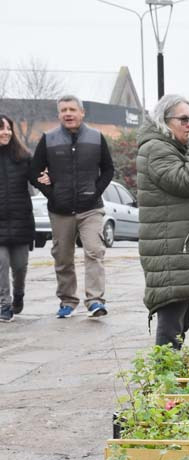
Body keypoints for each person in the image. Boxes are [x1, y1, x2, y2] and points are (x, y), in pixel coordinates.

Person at [136, 94, 189, 349]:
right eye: (183, 119)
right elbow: (186, 183)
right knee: (171, 330)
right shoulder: (156, 149)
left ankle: (171, 380)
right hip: (173, 255)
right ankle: (163, 382)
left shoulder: (175, 149)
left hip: (187, 252)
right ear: (164, 120)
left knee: (180, 327)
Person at [30, 95, 114, 318]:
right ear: (58, 115)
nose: (68, 113)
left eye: (72, 109)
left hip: (91, 209)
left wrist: (95, 192)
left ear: (82, 113)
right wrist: (52, 194)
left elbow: (108, 170)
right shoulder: (48, 139)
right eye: (63, 110)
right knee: (63, 256)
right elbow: (34, 172)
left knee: (95, 252)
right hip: (60, 210)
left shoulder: (97, 138)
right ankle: (67, 300)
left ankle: (95, 300)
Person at [0, 115, 38, 322]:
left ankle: (19, 293)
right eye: (1, 128)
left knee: (20, 266)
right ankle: (4, 305)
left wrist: (48, 179)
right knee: (1, 264)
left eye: (8, 128)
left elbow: (37, 179)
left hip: (21, 221)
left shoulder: (23, 157)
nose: (5, 132)